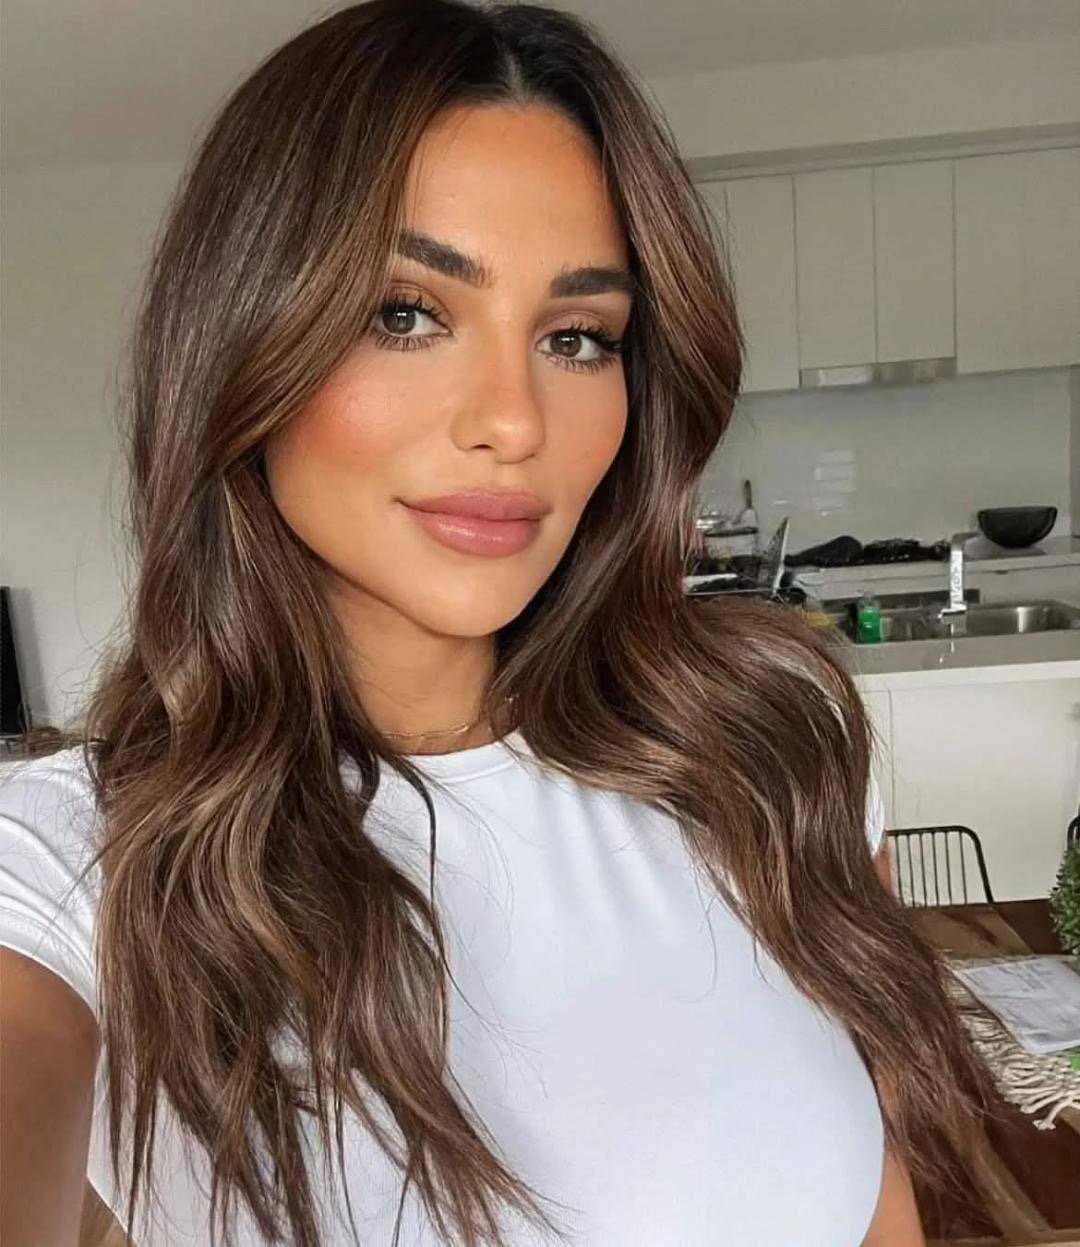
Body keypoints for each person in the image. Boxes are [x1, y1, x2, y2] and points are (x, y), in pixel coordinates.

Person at [0, 2, 1000, 1244]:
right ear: (241, 345)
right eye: (406, 313)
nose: (514, 420)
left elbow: (871, 1200)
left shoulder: (770, 751)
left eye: (578, 336)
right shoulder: (66, 864)